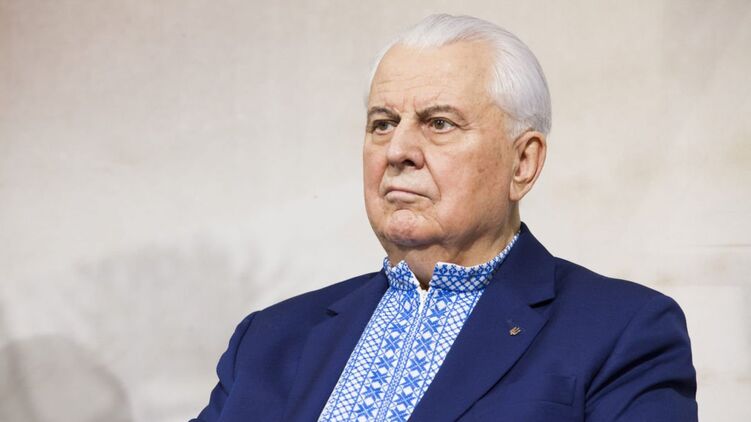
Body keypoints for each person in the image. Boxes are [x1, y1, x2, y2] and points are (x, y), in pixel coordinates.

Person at [192, 14, 697, 422]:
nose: (398, 150)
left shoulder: (622, 331)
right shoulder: (269, 339)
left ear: (522, 163)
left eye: (438, 123)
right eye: (382, 124)